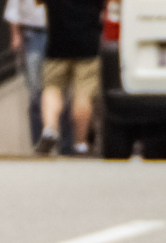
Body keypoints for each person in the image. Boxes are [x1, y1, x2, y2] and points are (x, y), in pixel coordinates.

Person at [39, 0, 101, 154]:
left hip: (57, 43)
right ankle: (80, 144)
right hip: (88, 45)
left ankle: (50, 130)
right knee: (83, 94)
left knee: (52, 87)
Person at [6, 0, 48, 148]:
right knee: (35, 94)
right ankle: (38, 144)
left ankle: (67, 148)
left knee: (63, 94)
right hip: (33, 34)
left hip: (60, 31)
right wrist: (15, 35)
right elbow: (13, 8)